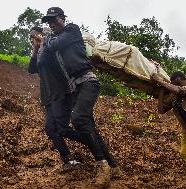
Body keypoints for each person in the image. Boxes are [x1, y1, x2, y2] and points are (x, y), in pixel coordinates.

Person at [40, 7, 120, 187]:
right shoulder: (57, 43)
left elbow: (52, 45)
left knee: (78, 118)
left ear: (62, 18)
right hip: (75, 88)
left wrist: (46, 38)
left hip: (88, 82)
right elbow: (42, 60)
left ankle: (102, 164)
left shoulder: (72, 30)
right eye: (48, 22)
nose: (51, 24)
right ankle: (113, 166)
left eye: (54, 20)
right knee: (90, 128)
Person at [28, 26, 85, 171]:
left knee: (62, 129)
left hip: (60, 93)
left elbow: (57, 58)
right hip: (48, 96)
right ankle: (68, 160)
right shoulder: (39, 52)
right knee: (51, 129)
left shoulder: (50, 47)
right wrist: (36, 48)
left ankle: (94, 142)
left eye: (33, 36)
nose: (31, 39)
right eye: (30, 37)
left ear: (40, 35)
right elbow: (31, 69)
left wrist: (45, 40)